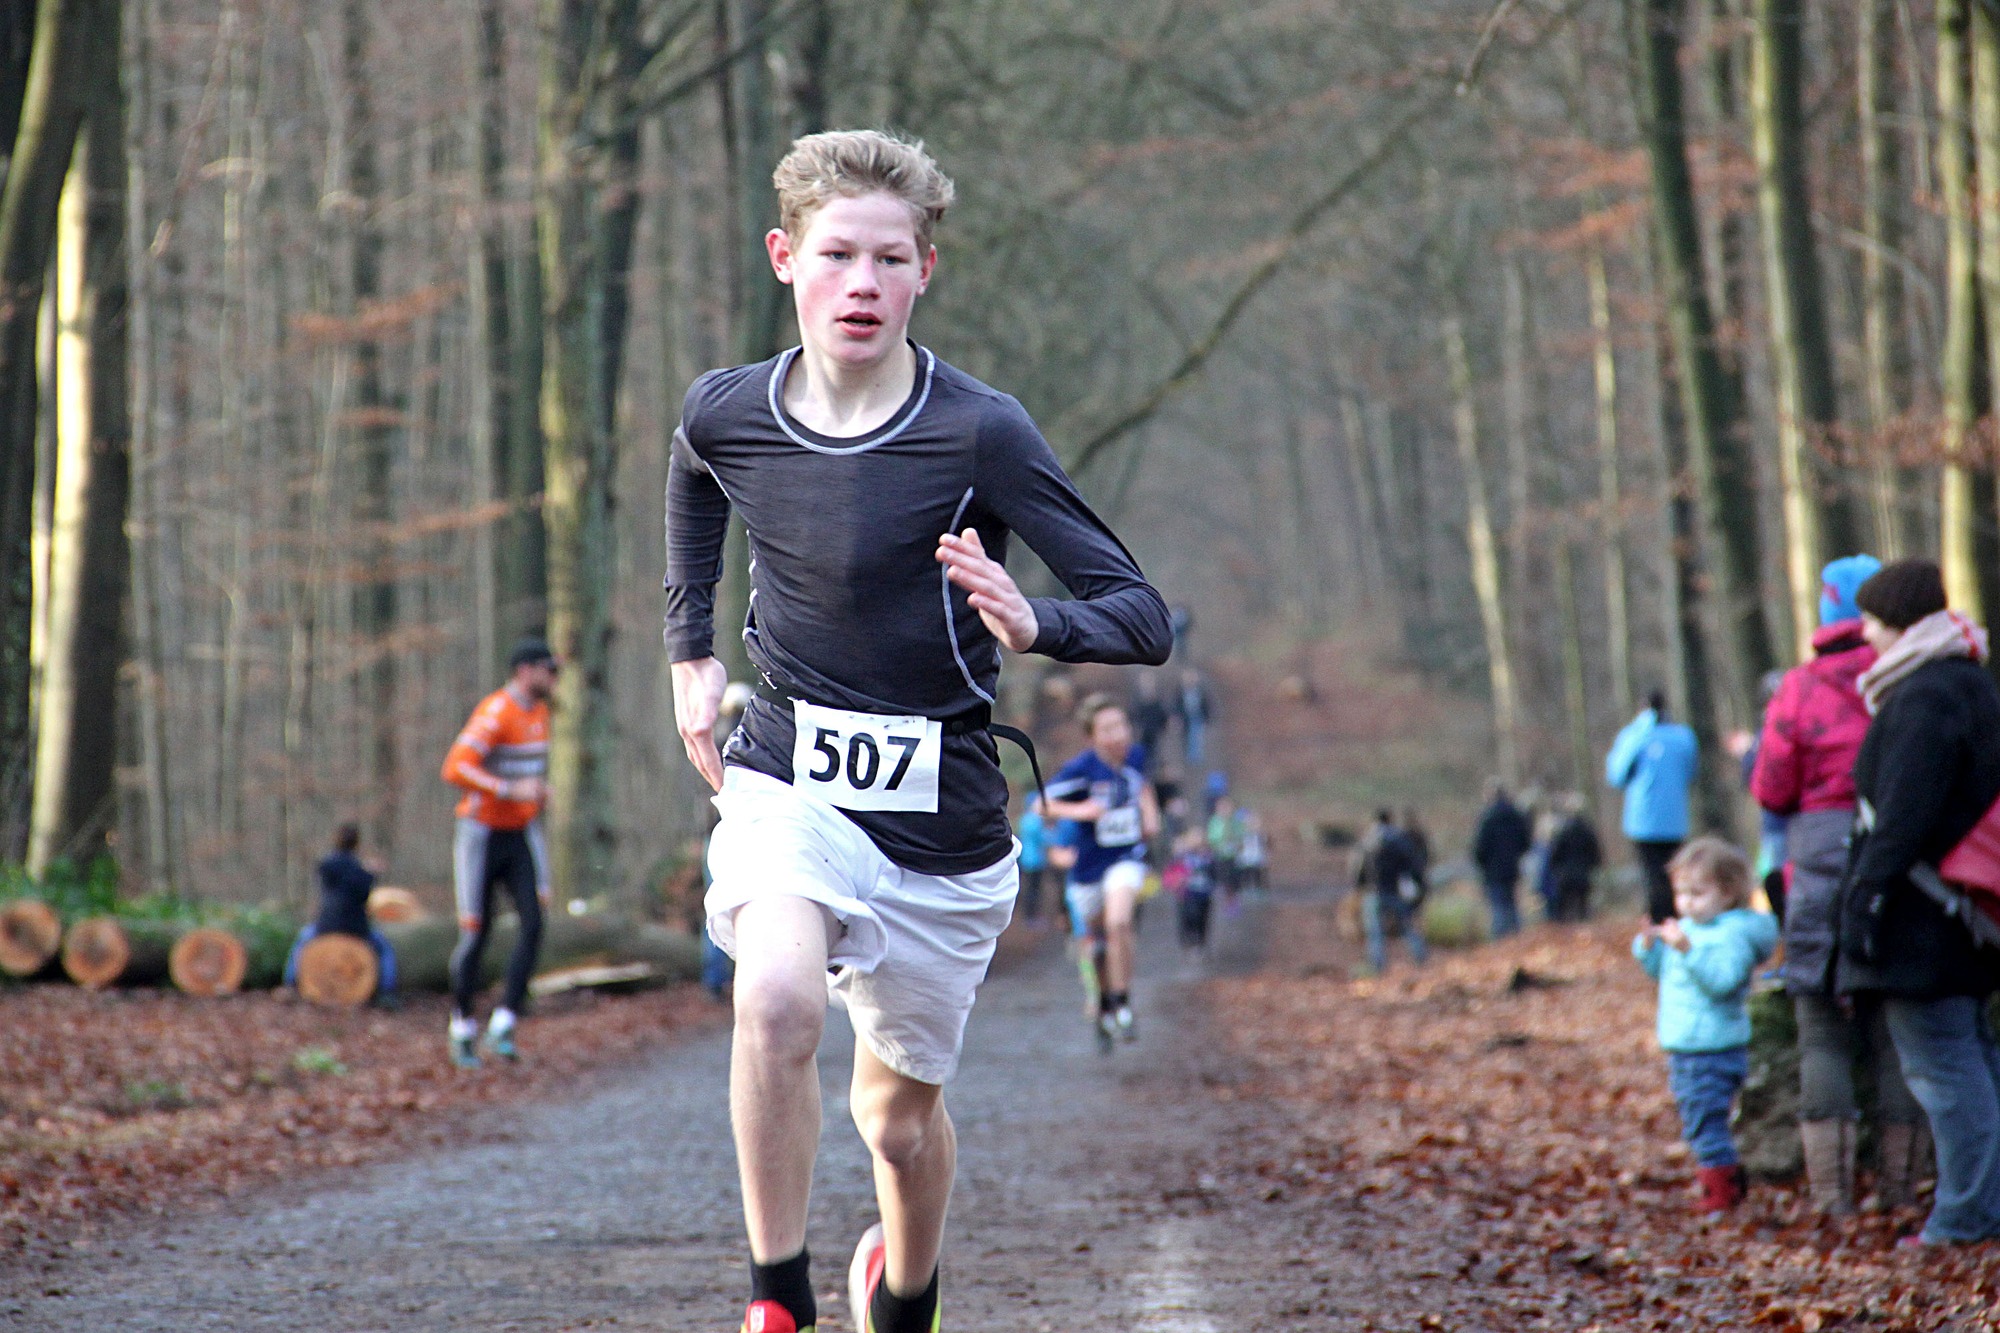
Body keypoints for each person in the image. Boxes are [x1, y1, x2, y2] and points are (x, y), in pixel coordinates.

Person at [664, 131, 1172, 1333]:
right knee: (775, 1001)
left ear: (923, 272)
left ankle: (905, 1292)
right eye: (836, 254)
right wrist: (692, 651)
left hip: (940, 818)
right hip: (788, 767)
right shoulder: (731, 411)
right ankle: (777, 1301)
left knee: (893, 1122)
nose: (861, 283)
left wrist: (1034, 620)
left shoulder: (978, 430)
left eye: (889, 260)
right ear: (785, 258)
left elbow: (1139, 614)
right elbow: (692, 472)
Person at [1752, 554, 1925, 1214]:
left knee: (1820, 1028)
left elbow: (1770, 787)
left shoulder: (1800, 687)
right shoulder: (1910, 676)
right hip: (1902, 858)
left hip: (1820, 863)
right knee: (1895, 1030)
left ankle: (1832, 1201)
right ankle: (1902, 1194)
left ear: (1826, 611)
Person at [1837, 558, 2000, 1245]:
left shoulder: (1924, 697)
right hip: (1964, 909)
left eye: (1872, 619)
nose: (1866, 633)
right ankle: (1977, 1206)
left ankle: (1967, 1215)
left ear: (1901, 623)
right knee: (1973, 1059)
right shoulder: (1971, 683)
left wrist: (1865, 898)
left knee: (1944, 1069)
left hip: (1923, 919)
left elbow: (1903, 816)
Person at [1632, 837, 1779, 1213]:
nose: (1685, 903)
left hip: (1711, 1048)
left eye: (1697, 893)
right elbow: (1665, 973)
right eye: (1680, 893)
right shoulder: (1691, 930)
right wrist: (1649, 949)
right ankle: (1721, 1183)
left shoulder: (1731, 935)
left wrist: (1687, 950)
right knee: (1698, 1119)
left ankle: (1721, 1192)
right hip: (1687, 1045)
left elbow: (1723, 982)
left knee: (1705, 1122)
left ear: (1727, 893)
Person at [438, 636, 556, 1069]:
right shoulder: (496, 712)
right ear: (525, 671)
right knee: (477, 931)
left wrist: (538, 792)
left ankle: (504, 1022)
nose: (554, 678)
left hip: (520, 833)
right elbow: (455, 767)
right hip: (482, 834)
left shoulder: (540, 713)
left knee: (534, 922)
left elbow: (526, 773)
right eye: (549, 670)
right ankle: (462, 1026)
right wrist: (507, 789)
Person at [1045, 695, 1162, 1050]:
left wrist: (1150, 814)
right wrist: (1082, 811)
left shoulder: (1136, 757)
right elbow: (1041, 804)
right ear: (1091, 737)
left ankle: (1122, 1002)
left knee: (1120, 923)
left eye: (1122, 725)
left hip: (1125, 859)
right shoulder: (1081, 769)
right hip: (1087, 871)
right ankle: (1106, 1004)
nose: (1119, 734)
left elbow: (1142, 785)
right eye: (1108, 728)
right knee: (1096, 947)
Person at [1606, 689, 1700, 923]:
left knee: (1652, 875)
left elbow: (1616, 774)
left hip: (1643, 821)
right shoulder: (1683, 736)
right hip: (1676, 820)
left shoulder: (1635, 735)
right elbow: (1691, 773)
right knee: (1674, 872)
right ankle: (1677, 919)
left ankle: (1658, 923)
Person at [283, 822, 397, 1004]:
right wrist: (371, 873)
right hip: (356, 928)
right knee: (385, 950)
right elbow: (364, 895)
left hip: (326, 925)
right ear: (356, 843)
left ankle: (291, 984)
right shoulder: (360, 871)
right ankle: (386, 992)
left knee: (301, 942)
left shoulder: (327, 865)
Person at [1359, 810, 1427, 973]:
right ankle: (1421, 958)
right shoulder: (1399, 840)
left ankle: (1377, 965)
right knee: (1407, 926)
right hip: (1396, 891)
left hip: (1374, 891)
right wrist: (1418, 886)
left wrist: (1360, 885)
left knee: (1375, 932)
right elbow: (1413, 864)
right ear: (1390, 820)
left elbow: (1359, 867)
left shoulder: (1368, 840)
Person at [1471, 779, 1533, 938]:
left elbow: (1480, 848)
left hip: (1493, 870)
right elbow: (1526, 842)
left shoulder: (1487, 818)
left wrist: (1483, 864)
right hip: (1512, 868)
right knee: (1512, 904)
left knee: (1498, 907)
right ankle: (1518, 938)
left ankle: (1500, 941)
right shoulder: (1516, 815)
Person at [1544, 794, 1602, 923]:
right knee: (1582, 909)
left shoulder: (1563, 831)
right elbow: (1595, 853)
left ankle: (1566, 932)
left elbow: (1555, 853)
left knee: (1565, 912)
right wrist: (1592, 867)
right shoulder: (1588, 830)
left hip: (1566, 876)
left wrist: (1555, 868)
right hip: (1583, 874)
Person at [1014, 797, 1051, 929]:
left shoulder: (1024, 819)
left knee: (1027, 888)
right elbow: (1044, 838)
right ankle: (1031, 917)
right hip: (1036, 861)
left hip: (1025, 859)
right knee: (1034, 891)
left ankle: (1026, 915)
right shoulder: (1037, 821)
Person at [1206, 795, 1243, 899]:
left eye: (1227, 807)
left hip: (1233, 853)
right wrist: (1217, 843)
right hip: (1219, 852)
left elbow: (1240, 834)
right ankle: (1221, 889)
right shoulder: (1214, 821)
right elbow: (1211, 836)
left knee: (1233, 873)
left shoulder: (1235, 821)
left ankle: (1233, 892)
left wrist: (1237, 842)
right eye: (1222, 807)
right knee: (1221, 871)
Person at [1178, 668, 1212, 768]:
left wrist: (1207, 719)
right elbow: (1177, 706)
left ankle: (1197, 761)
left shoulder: (1201, 691)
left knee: (1197, 740)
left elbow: (1207, 706)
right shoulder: (1180, 692)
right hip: (1186, 720)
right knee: (1187, 740)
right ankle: (1188, 761)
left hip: (1198, 719)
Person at [1236, 809, 1268, 897]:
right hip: (1246, 857)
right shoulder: (1243, 835)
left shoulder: (1260, 835)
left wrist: (1265, 855)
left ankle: (1258, 888)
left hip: (1256, 856)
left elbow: (1264, 845)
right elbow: (1240, 845)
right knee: (1246, 873)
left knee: (1257, 873)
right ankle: (1246, 888)